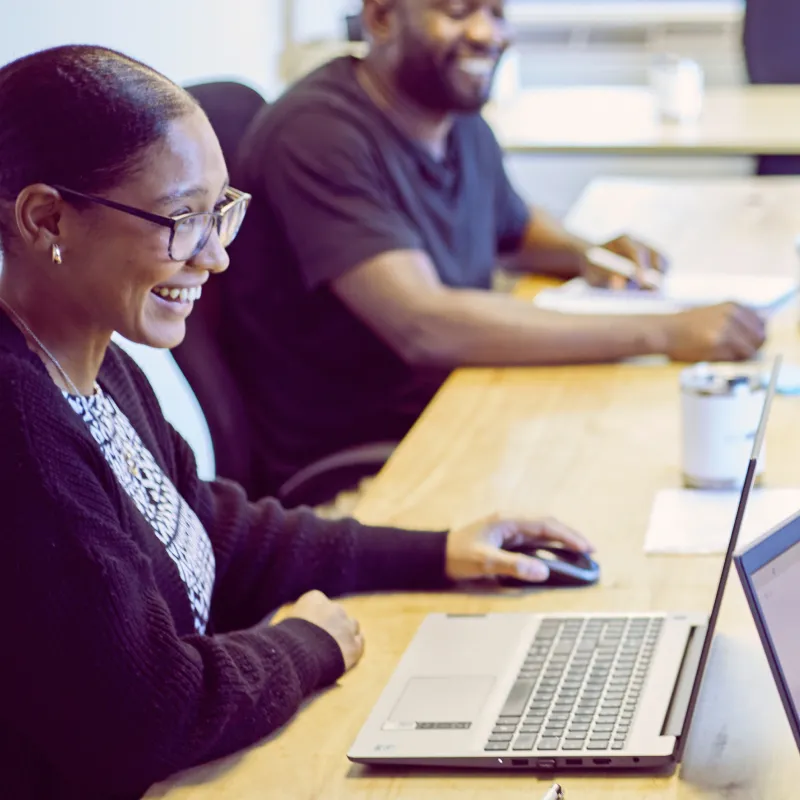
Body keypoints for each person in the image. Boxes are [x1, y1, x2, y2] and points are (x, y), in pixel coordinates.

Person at [0, 45, 594, 800]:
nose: (214, 256)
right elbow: (147, 715)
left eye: (221, 213)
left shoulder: (91, 362)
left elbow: (209, 529)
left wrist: (439, 552)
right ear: (46, 217)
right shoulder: (21, 431)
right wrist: (306, 646)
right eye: (182, 218)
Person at [228, 0, 767, 497]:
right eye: (459, 11)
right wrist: (665, 331)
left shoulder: (452, 117)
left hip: (465, 409)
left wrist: (587, 254)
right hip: (379, 470)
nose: (487, 33)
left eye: (498, 11)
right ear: (383, 17)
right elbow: (424, 323)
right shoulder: (317, 135)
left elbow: (512, 227)